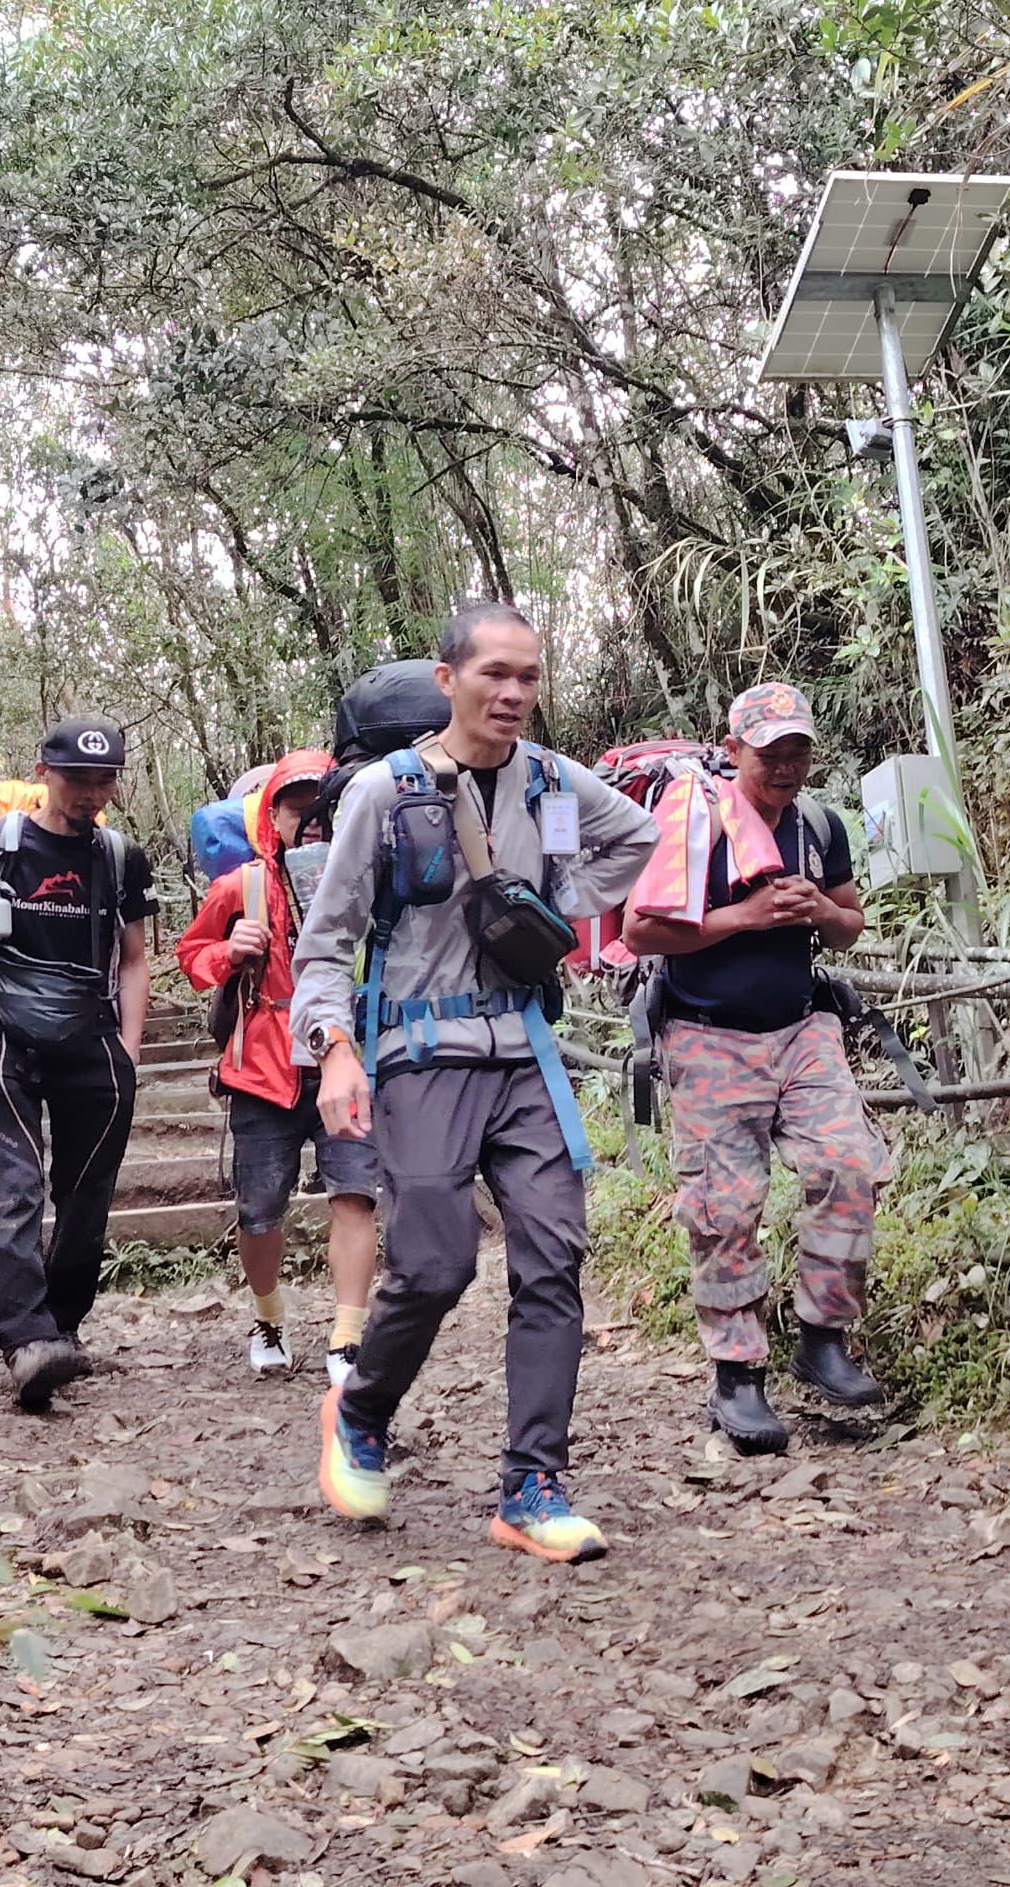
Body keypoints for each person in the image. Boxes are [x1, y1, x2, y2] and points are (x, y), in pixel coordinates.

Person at [294, 603, 656, 1564]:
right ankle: (361, 1410)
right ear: (448, 679)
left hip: (525, 1051)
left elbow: (641, 842)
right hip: (421, 1054)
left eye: (529, 677)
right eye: (495, 673)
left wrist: (549, 908)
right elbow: (326, 940)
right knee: (438, 1264)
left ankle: (532, 1485)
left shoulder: (551, 782)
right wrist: (334, 1048)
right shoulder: (386, 791)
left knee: (553, 1255)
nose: (513, 693)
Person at [620, 684, 889, 1455]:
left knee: (846, 1163)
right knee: (725, 1206)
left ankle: (823, 1337)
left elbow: (848, 924)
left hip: (803, 1027)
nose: (786, 767)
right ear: (734, 749)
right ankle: (737, 1377)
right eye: (770, 753)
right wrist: (745, 917)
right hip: (708, 1037)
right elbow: (641, 932)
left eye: (798, 751)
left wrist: (820, 915)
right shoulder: (693, 826)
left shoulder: (817, 825)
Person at [0, 718, 156, 1410]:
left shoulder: (119, 858)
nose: (90, 792)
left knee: (87, 1199)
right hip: (6, 1041)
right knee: (15, 1192)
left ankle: (62, 1332)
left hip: (93, 1044)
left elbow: (135, 959)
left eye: (103, 779)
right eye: (77, 778)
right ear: (43, 772)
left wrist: (130, 1049)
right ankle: (25, 1342)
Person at [175, 750, 381, 1387]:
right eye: (298, 810)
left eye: (324, 810)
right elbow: (191, 953)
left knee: (355, 1195)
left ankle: (347, 1340)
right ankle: (268, 1319)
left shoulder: (371, 878)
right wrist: (228, 951)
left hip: (346, 1057)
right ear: (275, 816)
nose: (312, 823)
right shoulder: (243, 886)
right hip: (263, 1069)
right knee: (261, 1207)